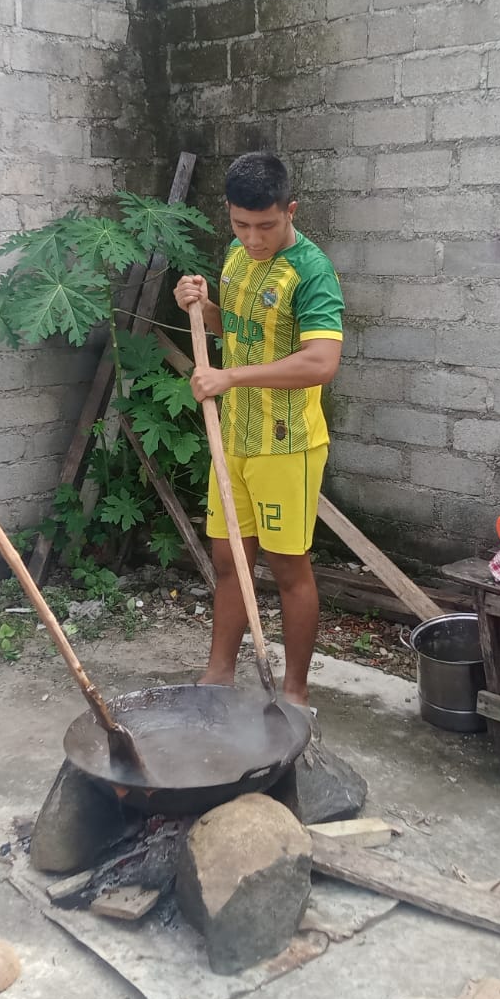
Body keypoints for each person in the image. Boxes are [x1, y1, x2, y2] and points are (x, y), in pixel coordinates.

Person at [173, 153, 344, 707]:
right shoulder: (236, 255)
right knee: (229, 561)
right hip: (235, 438)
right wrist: (200, 307)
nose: (253, 238)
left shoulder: (312, 271)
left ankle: (294, 691)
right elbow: (237, 326)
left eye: (266, 225)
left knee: (288, 568)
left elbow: (321, 362)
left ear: (289, 210)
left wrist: (231, 376)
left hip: (286, 443)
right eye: (241, 225)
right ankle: (219, 673)